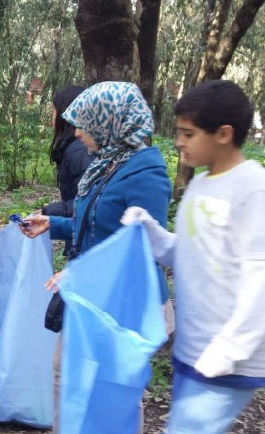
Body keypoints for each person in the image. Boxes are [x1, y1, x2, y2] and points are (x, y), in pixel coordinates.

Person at [20, 81, 173, 432]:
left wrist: (82, 274)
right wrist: (53, 224)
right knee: (65, 377)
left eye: (84, 123)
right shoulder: (106, 165)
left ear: (110, 124)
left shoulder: (145, 175)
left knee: (112, 395)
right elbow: (96, 223)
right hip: (92, 298)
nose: (76, 132)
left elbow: (143, 250)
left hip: (123, 305)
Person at [121, 80, 265, 434]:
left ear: (223, 134)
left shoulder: (252, 187)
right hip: (193, 349)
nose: (179, 142)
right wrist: (151, 232)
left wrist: (232, 348)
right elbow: (186, 253)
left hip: (228, 360)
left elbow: (259, 275)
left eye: (188, 133)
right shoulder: (201, 183)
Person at [41, 85, 92, 220]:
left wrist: (49, 212)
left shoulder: (79, 151)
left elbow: (88, 203)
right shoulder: (71, 148)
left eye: (53, 111)